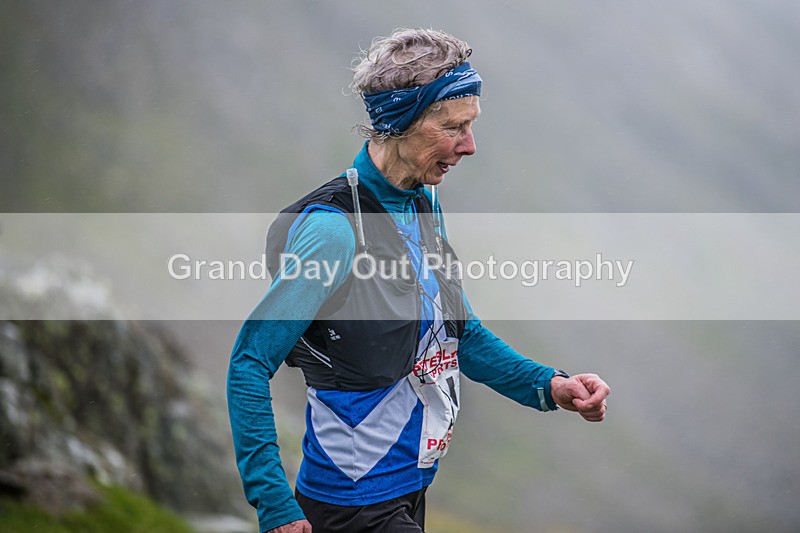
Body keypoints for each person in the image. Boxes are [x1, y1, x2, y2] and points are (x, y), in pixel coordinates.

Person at [227, 28, 610, 533]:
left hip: (410, 492)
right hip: (352, 508)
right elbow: (249, 362)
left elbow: (458, 335)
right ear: (399, 122)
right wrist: (274, 504)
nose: (469, 146)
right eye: (453, 126)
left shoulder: (422, 202)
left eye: (471, 126)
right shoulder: (335, 231)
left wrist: (550, 385)